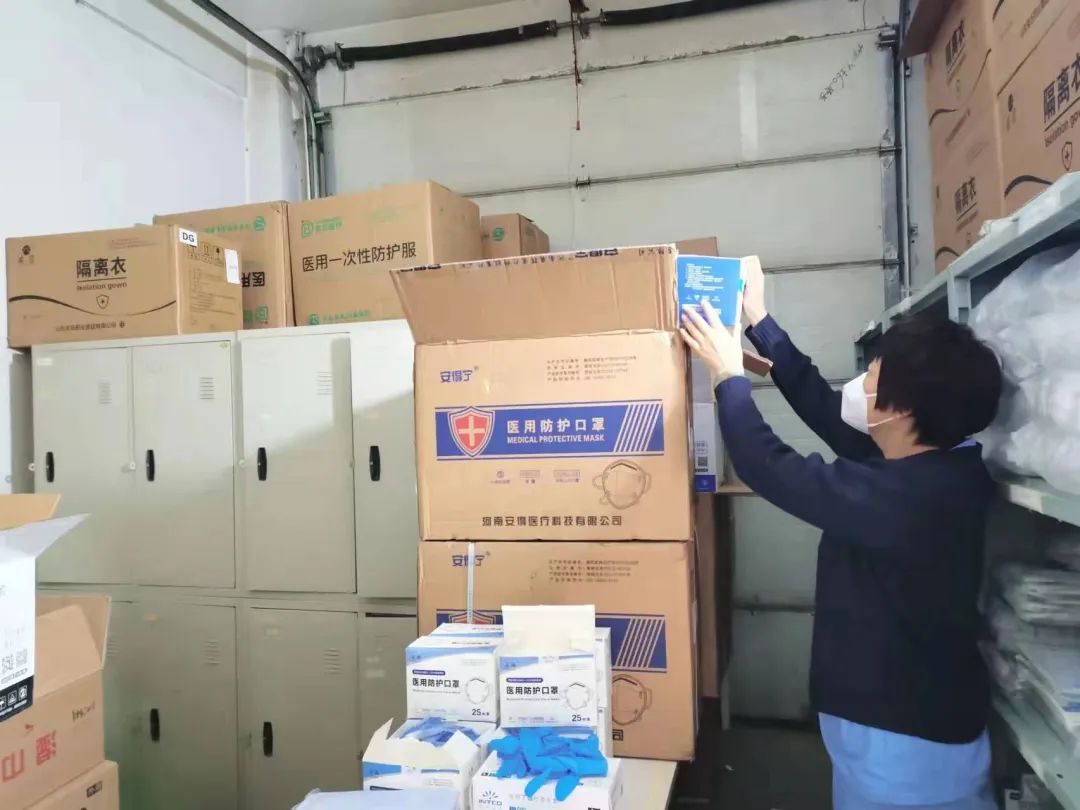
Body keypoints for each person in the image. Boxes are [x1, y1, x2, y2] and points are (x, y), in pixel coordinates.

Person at [680, 261, 1003, 810]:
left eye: (873, 377)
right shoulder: (936, 460)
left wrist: (729, 378)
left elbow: (772, 467)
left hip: (905, 754)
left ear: (902, 411)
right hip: (895, 731)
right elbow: (829, 413)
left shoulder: (912, 500)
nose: (861, 385)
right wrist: (760, 321)